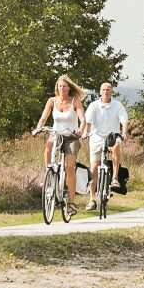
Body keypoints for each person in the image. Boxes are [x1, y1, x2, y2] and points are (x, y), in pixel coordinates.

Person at [32, 74, 88, 219]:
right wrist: (38, 128)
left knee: (69, 166)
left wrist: (81, 131)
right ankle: (48, 174)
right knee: (49, 145)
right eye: (59, 86)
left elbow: (83, 120)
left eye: (64, 86)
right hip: (56, 134)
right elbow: (44, 118)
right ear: (57, 88)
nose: (62, 88)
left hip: (71, 137)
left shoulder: (75, 102)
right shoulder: (52, 101)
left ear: (69, 88)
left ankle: (71, 203)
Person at [84, 81, 129, 209]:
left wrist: (124, 133)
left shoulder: (117, 105)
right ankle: (92, 199)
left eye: (108, 90)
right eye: (103, 89)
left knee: (115, 147)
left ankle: (115, 178)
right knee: (93, 167)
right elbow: (88, 122)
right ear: (100, 91)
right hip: (96, 136)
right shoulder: (94, 105)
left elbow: (124, 121)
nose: (105, 92)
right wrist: (85, 133)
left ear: (112, 92)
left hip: (112, 136)